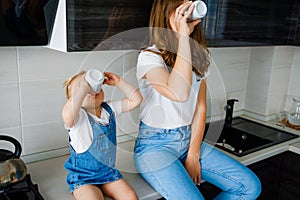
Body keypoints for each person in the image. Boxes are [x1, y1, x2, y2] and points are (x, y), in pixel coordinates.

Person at [133, 0, 262, 199]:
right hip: (154, 146)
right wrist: (182, 38)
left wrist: (193, 153)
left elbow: (200, 108)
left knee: (249, 187)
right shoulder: (150, 56)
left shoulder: (198, 56)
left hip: (188, 140)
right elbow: (179, 93)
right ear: (167, 14)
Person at [62, 70, 141, 200]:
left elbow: (136, 100)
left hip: (108, 174)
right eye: (84, 90)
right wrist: (82, 89)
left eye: (91, 86)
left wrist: (119, 83)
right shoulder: (78, 118)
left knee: (130, 196)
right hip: (84, 179)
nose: (90, 90)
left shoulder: (109, 108)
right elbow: (68, 116)